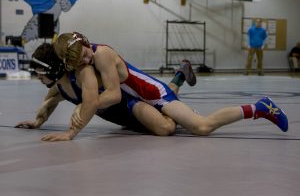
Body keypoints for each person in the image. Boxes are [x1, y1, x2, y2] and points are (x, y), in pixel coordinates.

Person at [45, 32, 288, 142]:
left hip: (154, 94)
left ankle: (260, 107)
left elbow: (113, 94)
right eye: (80, 62)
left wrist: (85, 107)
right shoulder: (83, 65)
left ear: (87, 43)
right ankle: (181, 75)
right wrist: (70, 134)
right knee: (166, 128)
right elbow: (92, 99)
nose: (86, 61)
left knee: (201, 127)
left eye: (86, 55)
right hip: (138, 99)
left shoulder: (102, 55)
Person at [15, 43, 196, 141]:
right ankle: (180, 74)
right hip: (123, 119)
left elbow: (94, 100)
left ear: (53, 69)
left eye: (40, 74)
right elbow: (49, 101)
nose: (38, 78)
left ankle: (180, 111)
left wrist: (70, 133)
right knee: (160, 108)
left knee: (167, 127)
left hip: (131, 105)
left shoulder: (82, 76)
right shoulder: (59, 86)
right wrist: (37, 121)